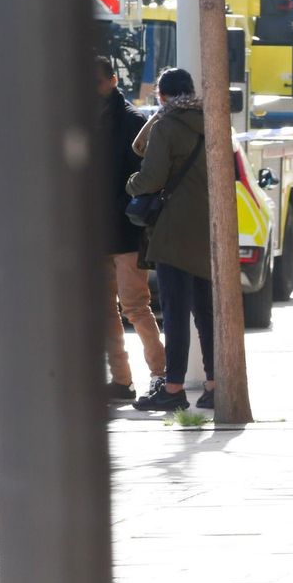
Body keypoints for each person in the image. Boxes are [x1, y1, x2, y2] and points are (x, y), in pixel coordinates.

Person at [127, 68, 217, 412]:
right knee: (206, 314)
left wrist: (130, 186)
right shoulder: (215, 122)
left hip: (173, 231)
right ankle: (213, 385)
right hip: (208, 230)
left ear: (162, 96)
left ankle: (174, 388)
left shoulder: (166, 126)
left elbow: (149, 177)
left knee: (176, 313)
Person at [97, 57, 166, 402]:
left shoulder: (132, 121)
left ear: (112, 81)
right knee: (105, 310)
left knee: (136, 307)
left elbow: (143, 179)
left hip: (126, 231)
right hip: (95, 233)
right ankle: (121, 381)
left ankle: (161, 376)